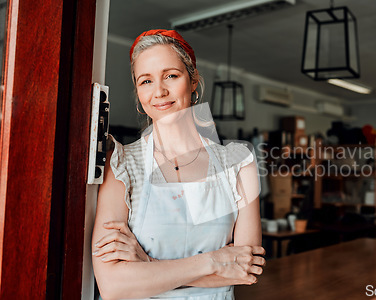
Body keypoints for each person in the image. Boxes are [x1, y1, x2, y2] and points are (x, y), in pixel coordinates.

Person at [91, 29, 265, 300]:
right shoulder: (122, 165)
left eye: (171, 75)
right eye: (146, 81)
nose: (159, 91)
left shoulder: (239, 165)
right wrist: (216, 261)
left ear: (193, 80)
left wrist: (148, 266)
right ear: (138, 92)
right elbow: (113, 286)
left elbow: (245, 270)